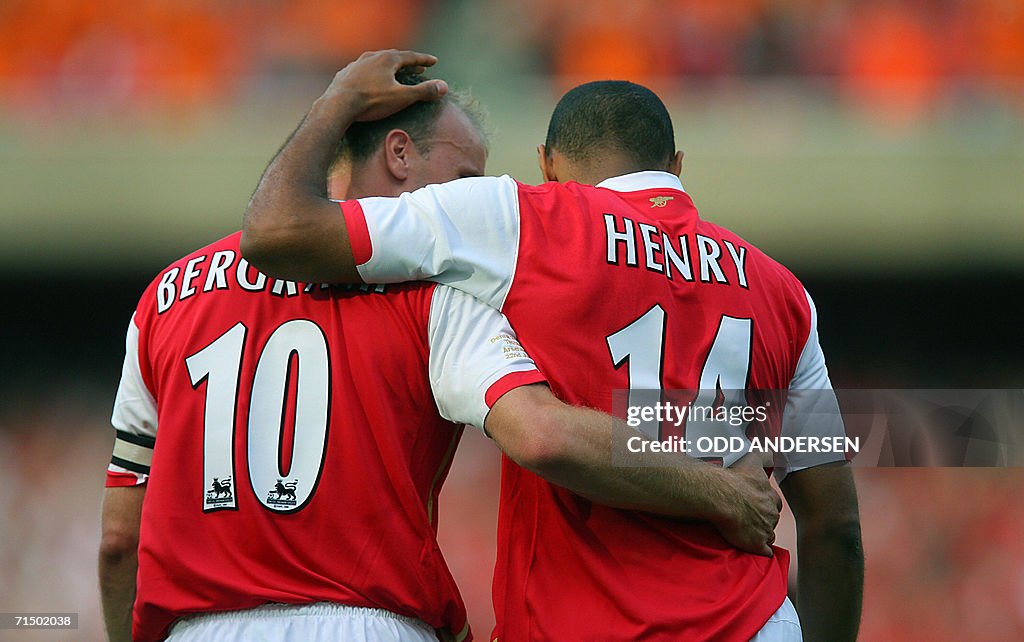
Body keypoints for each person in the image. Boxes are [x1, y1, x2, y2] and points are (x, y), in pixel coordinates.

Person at [100, 54, 782, 642]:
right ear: (398, 154)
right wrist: (719, 486)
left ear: (550, 166)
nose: (470, 197)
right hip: (374, 620)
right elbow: (544, 433)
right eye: (463, 179)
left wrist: (333, 101)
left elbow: (118, 541)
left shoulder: (166, 296)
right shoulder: (444, 294)